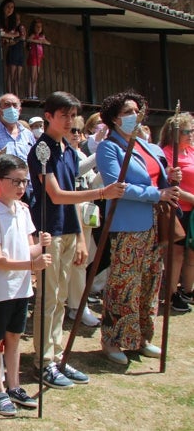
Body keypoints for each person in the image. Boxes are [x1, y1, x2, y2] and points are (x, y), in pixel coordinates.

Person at [27, 92, 125, 387]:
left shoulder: (68, 150)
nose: (70, 121)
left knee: (61, 297)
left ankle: (56, 356)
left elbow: (70, 200)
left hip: (69, 229)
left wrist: (82, 238)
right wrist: (101, 193)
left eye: (73, 116)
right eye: (64, 115)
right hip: (49, 230)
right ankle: (43, 361)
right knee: (49, 297)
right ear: (49, 116)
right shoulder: (42, 150)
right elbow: (55, 195)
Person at [96, 91, 180, 365]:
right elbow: (117, 186)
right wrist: (157, 194)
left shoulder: (149, 147)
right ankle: (114, 339)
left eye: (137, 110)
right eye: (127, 112)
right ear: (114, 118)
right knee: (124, 283)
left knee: (150, 281)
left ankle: (142, 337)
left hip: (157, 224)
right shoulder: (110, 148)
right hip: (129, 224)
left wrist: (170, 180)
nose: (134, 116)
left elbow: (161, 180)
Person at [0, 154, 51, 416]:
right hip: (1, 289)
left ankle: (14, 385)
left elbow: (28, 248)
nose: (21, 187)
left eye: (25, 182)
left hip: (22, 287)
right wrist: (31, 266)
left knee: (15, 337)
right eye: (16, 181)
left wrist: (41, 246)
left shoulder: (23, 211)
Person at [65, 117, 103, 327]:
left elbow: (89, 184)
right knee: (76, 262)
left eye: (79, 131)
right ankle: (76, 306)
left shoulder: (80, 153)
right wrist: (101, 153)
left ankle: (77, 302)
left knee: (84, 260)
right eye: (72, 130)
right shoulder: (63, 154)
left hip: (86, 211)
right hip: (70, 211)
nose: (76, 134)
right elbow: (74, 172)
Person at [160, 114, 194, 312]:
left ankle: (187, 290)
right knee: (177, 254)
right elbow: (171, 186)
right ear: (175, 134)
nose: (191, 135)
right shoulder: (166, 154)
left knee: (192, 253)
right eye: (186, 132)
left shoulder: (191, 151)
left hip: (193, 211)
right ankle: (171, 293)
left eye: (192, 131)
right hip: (178, 210)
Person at [0, 0, 25, 96]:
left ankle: (16, 94)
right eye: (16, 19)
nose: (17, 21)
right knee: (11, 74)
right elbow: (8, 42)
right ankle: (10, 93)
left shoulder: (20, 28)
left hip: (19, 52)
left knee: (17, 76)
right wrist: (15, 38)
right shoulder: (11, 29)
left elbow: (23, 38)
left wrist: (16, 38)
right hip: (12, 52)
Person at [26, 19, 51, 100]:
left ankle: (33, 93)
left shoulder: (42, 36)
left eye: (40, 27)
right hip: (33, 56)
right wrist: (37, 41)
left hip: (38, 58)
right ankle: (30, 94)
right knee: (32, 76)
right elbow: (28, 40)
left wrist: (42, 41)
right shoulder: (34, 35)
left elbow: (48, 43)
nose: (39, 28)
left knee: (35, 77)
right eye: (37, 27)